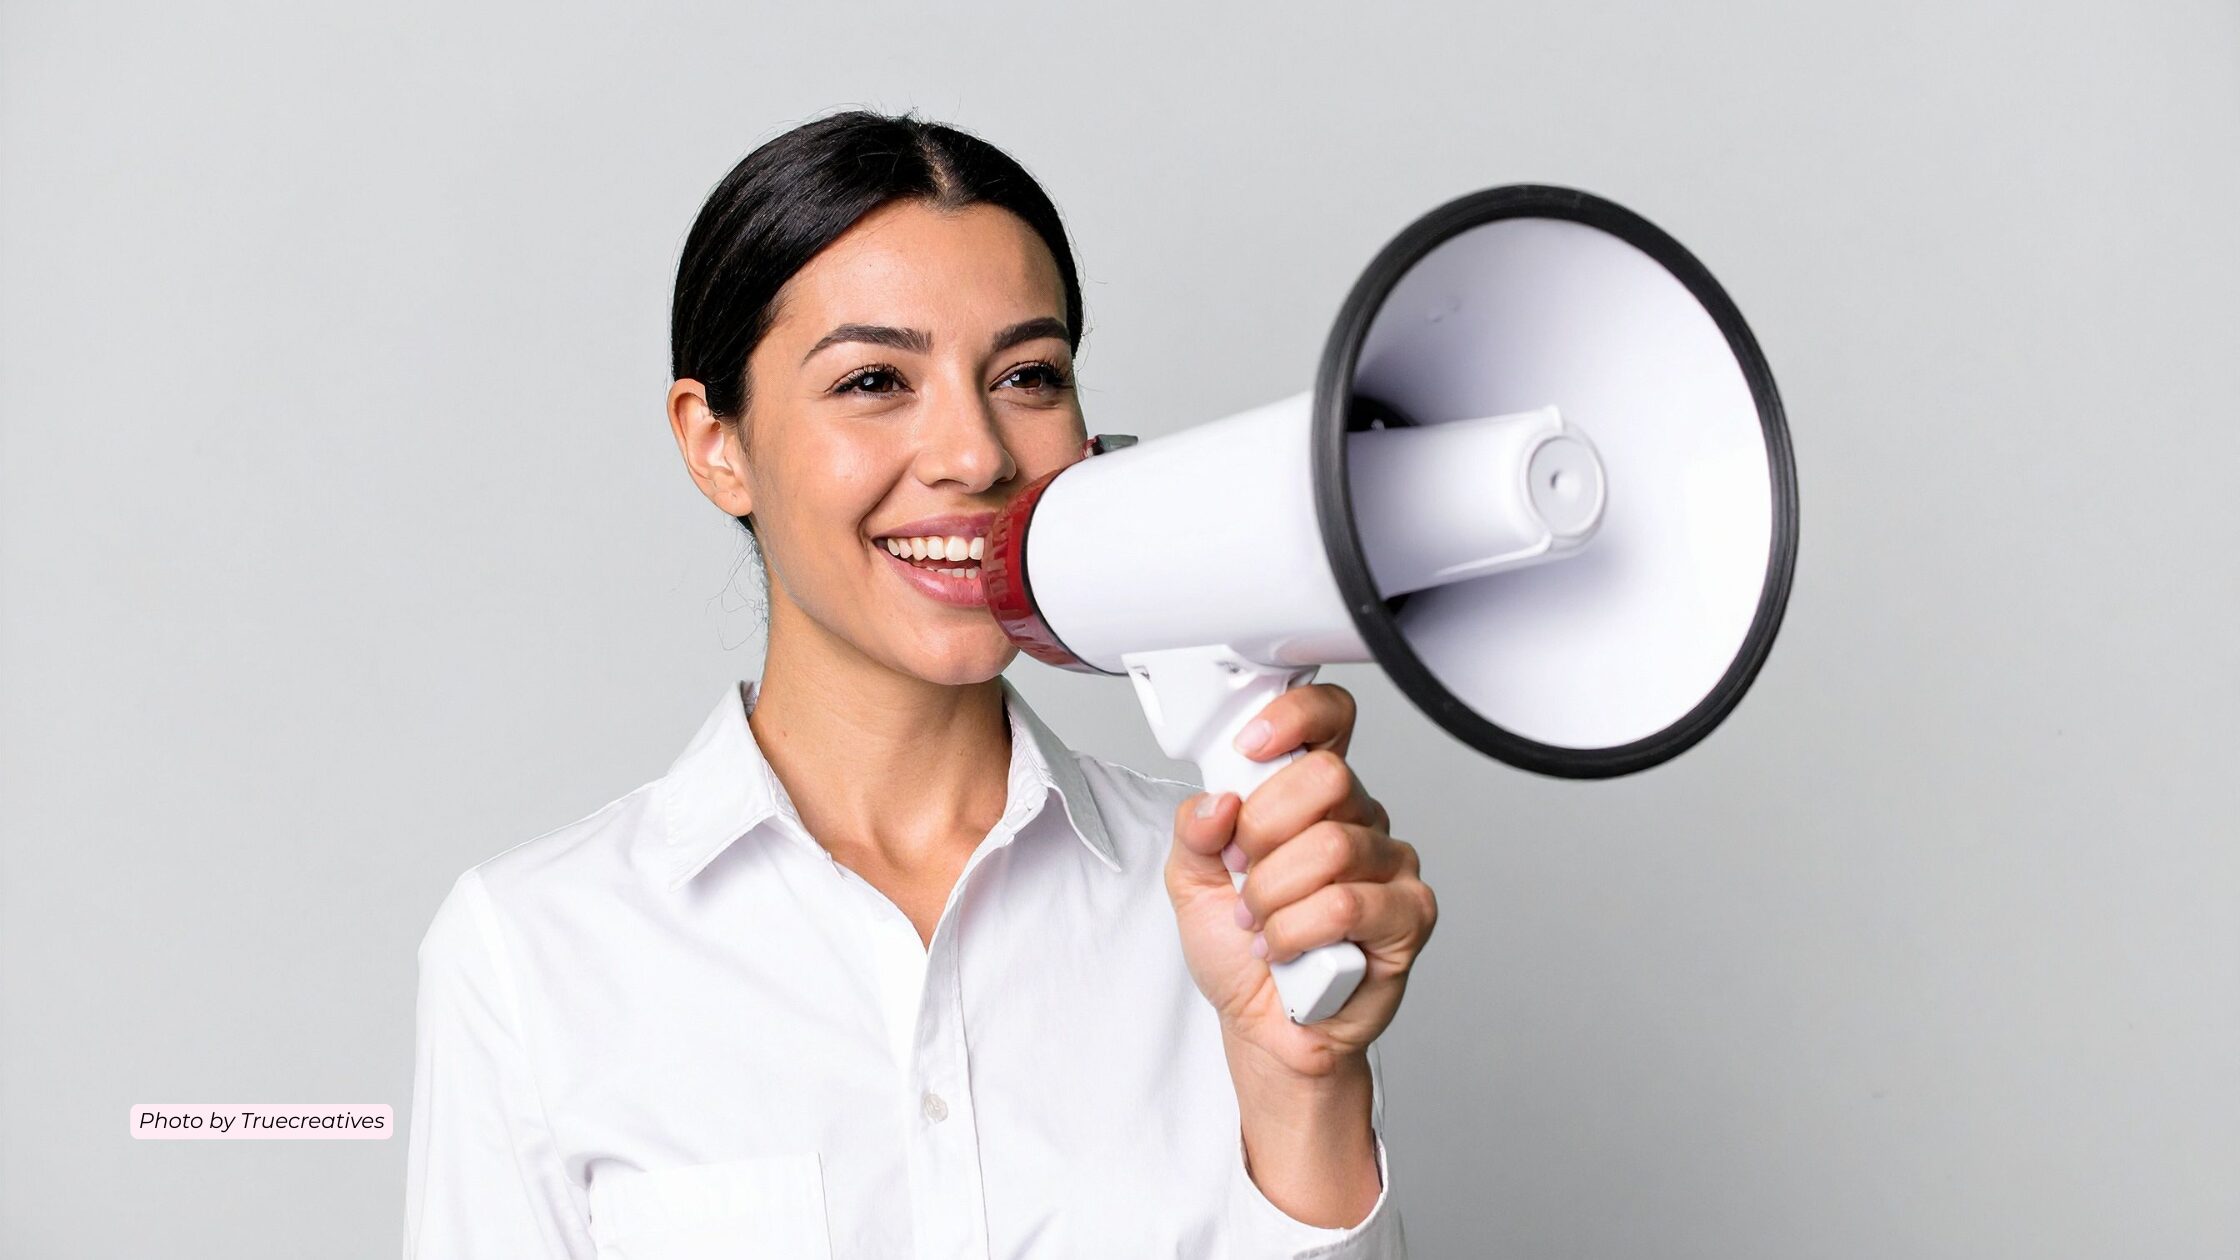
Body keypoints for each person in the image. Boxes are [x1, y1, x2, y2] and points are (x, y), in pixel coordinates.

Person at [401, 108, 1437, 1260]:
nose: (976, 454)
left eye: (1029, 375)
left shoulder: (1239, 906)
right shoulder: (532, 952)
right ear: (715, 443)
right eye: (874, 380)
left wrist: (1304, 1085)